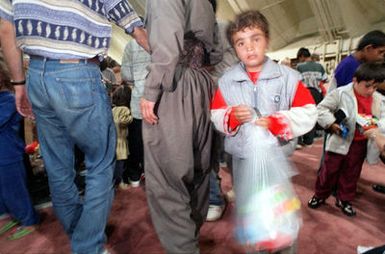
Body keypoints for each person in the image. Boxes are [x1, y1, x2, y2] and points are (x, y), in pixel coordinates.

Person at [0, 1, 149, 253]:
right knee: (100, 164)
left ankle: (80, 233)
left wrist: (19, 84)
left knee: (58, 169)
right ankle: (87, 245)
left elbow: (6, 28)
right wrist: (171, 63)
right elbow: (135, 27)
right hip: (77, 72)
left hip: (36, 72)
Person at [210, 10, 317, 253]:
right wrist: (230, 117)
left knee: (280, 212)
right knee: (251, 213)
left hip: (275, 158)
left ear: (267, 40)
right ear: (234, 48)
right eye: (241, 42)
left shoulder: (288, 77)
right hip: (242, 161)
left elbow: (309, 112)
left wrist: (278, 121)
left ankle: (285, 247)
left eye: (255, 39)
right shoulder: (226, 81)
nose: (249, 48)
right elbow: (216, 114)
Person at [140, 0, 222, 253]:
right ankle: (189, 240)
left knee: (167, 181)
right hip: (203, 82)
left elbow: (167, 43)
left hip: (174, 84)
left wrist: (151, 91)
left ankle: (184, 248)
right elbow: (216, 51)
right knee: (199, 172)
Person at [308, 62, 385, 217]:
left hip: (360, 144)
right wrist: (331, 123)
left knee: (352, 172)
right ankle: (320, 195)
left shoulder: (378, 99)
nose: (371, 91)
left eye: (375, 87)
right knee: (329, 170)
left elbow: (384, 118)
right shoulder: (341, 93)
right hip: (339, 140)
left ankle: (344, 199)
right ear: (355, 80)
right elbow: (321, 109)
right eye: (367, 86)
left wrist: (376, 125)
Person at [0, 53, 39, 240]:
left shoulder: (8, 99)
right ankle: (15, 216)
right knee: (4, 192)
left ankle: (29, 220)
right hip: (4, 156)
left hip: (8, 156)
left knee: (15, 191)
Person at [121, 29, 151, 188]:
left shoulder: (131, 46)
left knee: (136, 141)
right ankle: (154, 174)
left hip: (139, 101)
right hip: (160, 103)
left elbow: (126, 75)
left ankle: (134, 176)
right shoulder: (161, 41)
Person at [296, 47, 328, 147]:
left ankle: (302, 139)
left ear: (301, 56)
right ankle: (309, 140)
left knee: (303, 116)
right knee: (313, 116)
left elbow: (296, 81)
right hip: (317, 94)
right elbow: (325, 79)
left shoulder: (299, 67)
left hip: (305, 93)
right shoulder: (319, 66)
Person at [111, 85, 133, 190]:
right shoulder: (125, 109)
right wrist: (131, 117)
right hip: (121, 141)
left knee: (114, 163)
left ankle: (114, 182)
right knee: (121, 165)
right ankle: (119, 183)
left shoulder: (113, 109)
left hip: (112, 140)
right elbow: (123, 121)